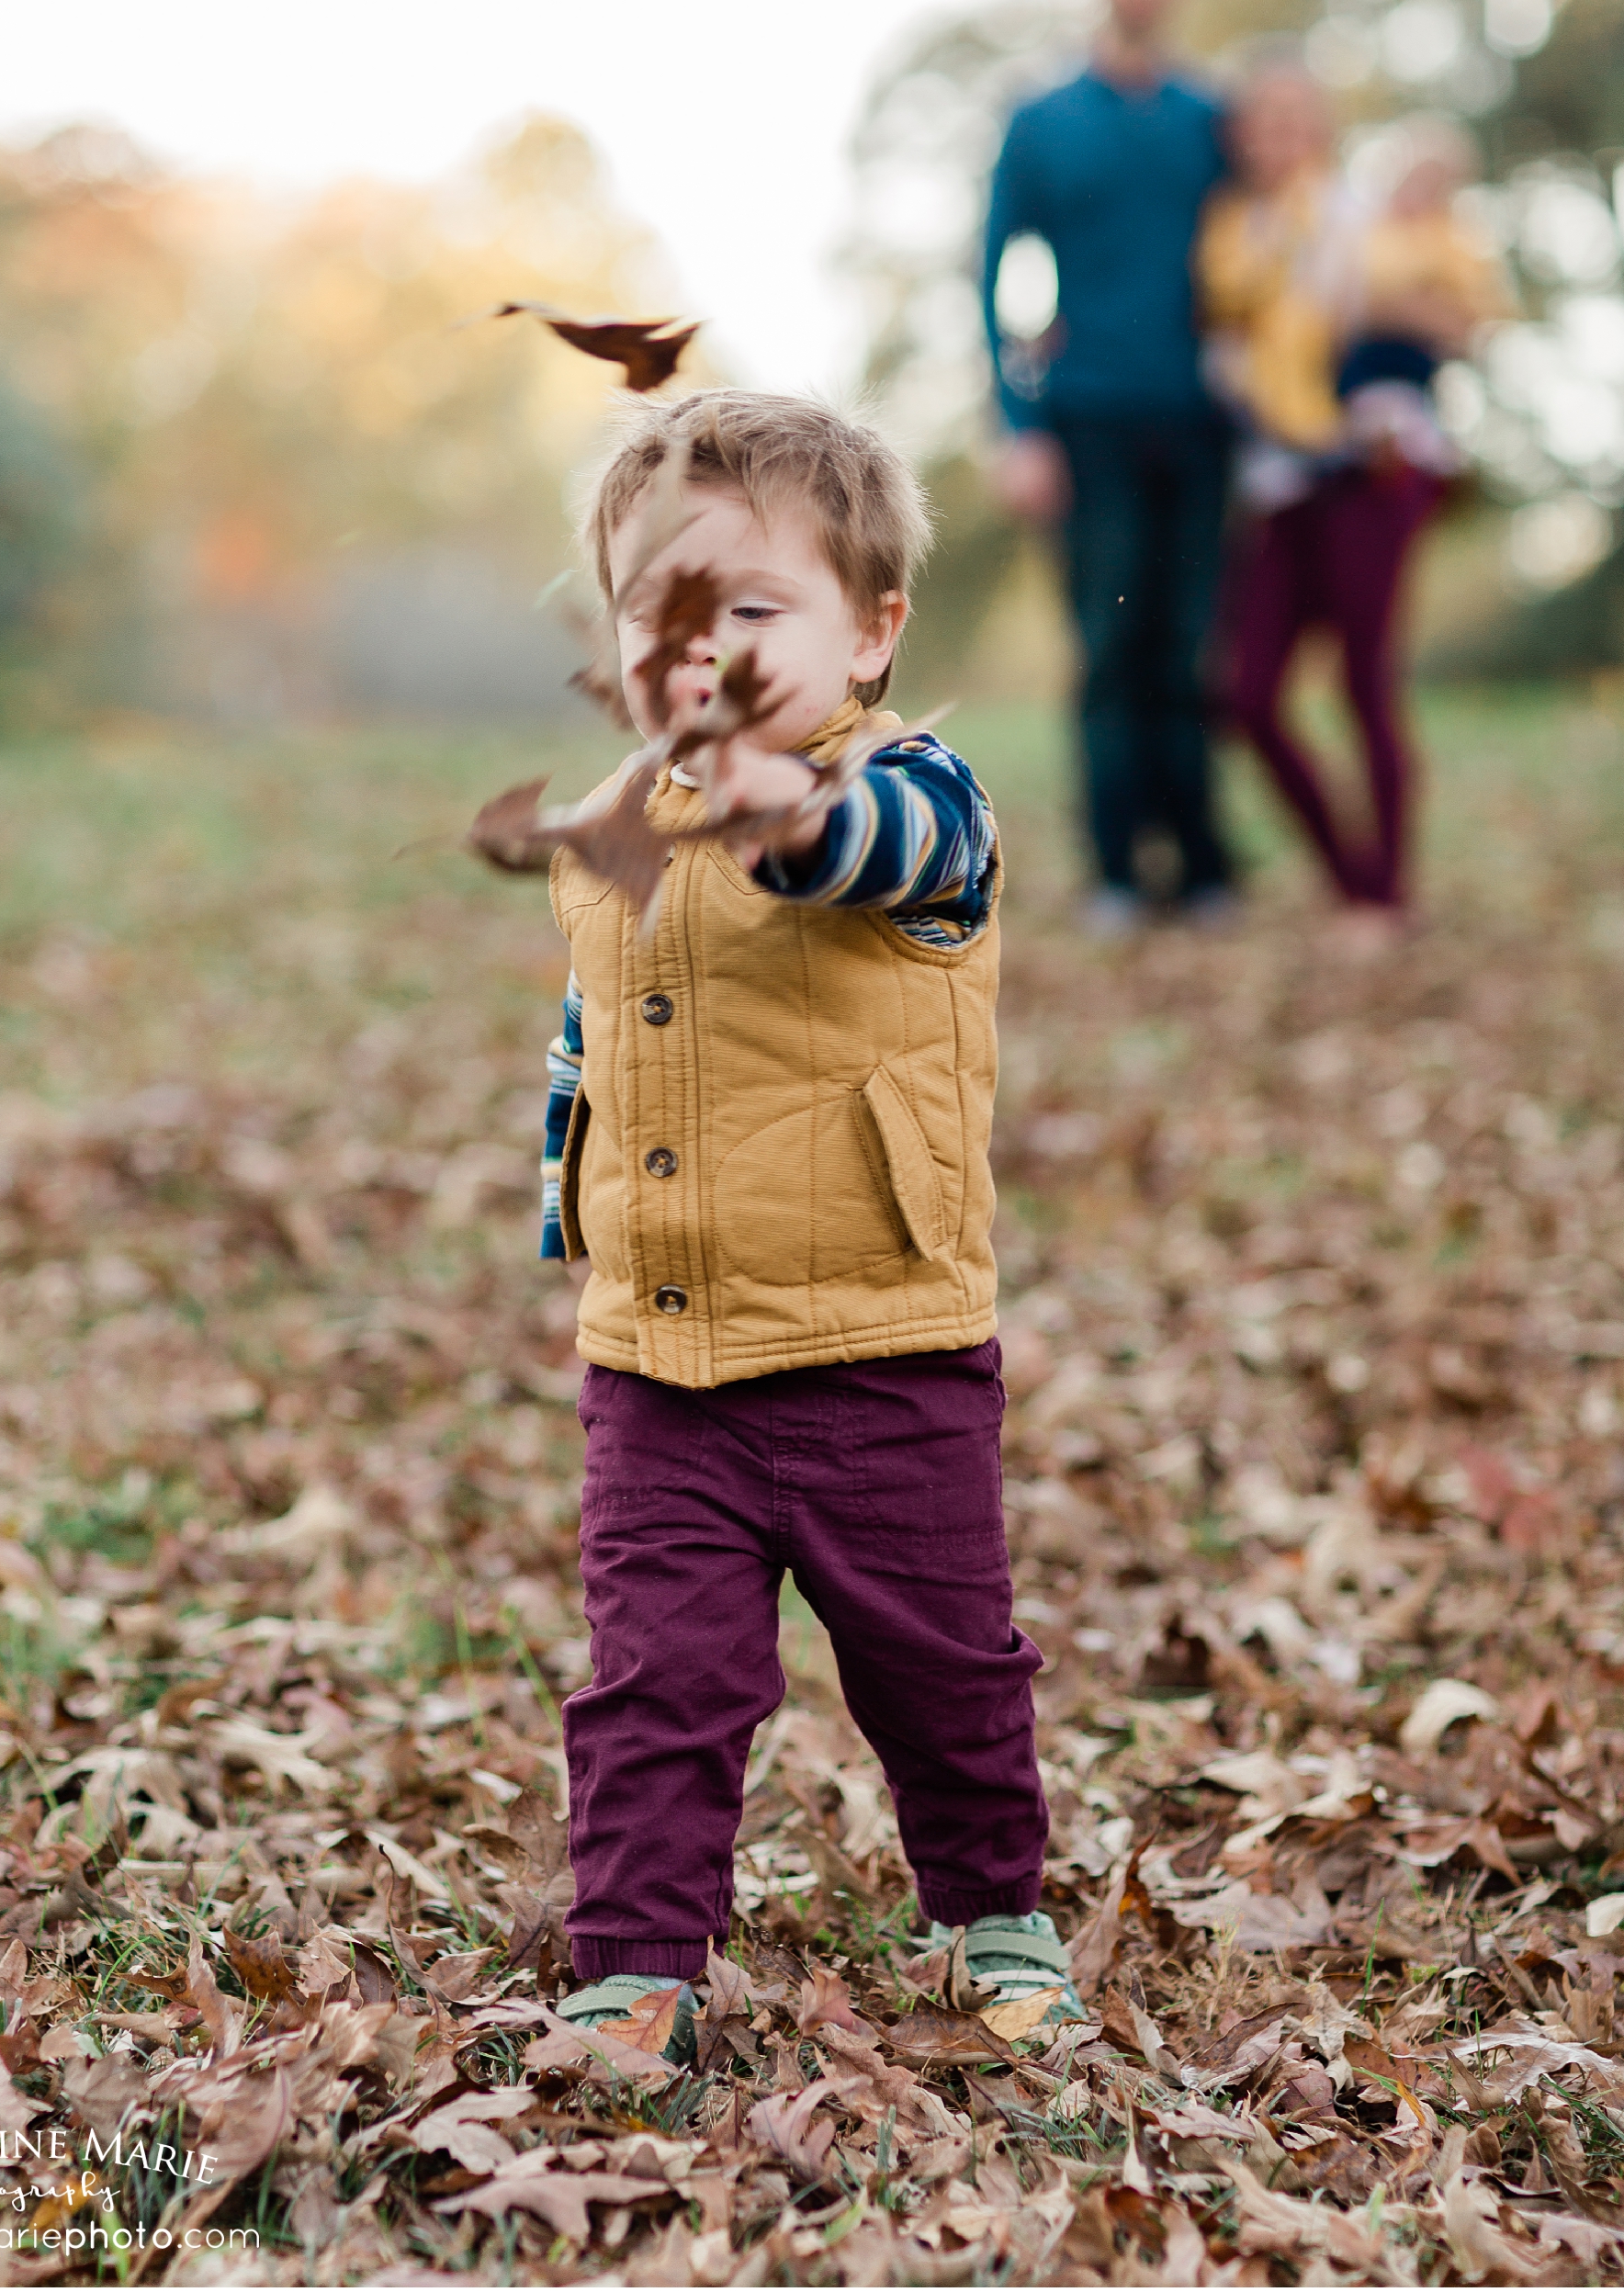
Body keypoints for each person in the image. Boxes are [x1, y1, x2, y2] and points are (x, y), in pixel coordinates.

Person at [536, 390, 1086, 2056]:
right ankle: (637, 1963)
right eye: (660, 610)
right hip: (666, 1364)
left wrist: (786, 805)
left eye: (754, 607)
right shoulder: (619, 814)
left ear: (870, 632)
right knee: (656, 1682)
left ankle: (992, 1905)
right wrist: (570, 1166)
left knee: (939, 1667)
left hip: (883, 1348)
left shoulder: (916, 791)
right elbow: (608, 1020)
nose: (704, 645)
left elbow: (877, 852)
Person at [982, 0, 1232, 933]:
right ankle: (1116, 871)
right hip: (1085, 422)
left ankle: (1204, 866)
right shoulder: (1041, 121)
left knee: (1185, 648)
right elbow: (995, 276)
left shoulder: (1205, 117)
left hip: (1201, 420)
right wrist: (1016, 421)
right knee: (1107, 645)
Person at [1203, 85, 1504, 930]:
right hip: (1281, 480)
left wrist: (1378, 306)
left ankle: (1383, 894)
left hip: (1371, 465)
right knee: (1248, 695)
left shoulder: (1361, 218)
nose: (1279, 142)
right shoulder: (1229, 233)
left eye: (1296, 124)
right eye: (1262, 126)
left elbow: (1459, 314)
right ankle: (1349, 875)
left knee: (1364, 680)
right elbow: (1227, 348)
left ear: (1324, 133)